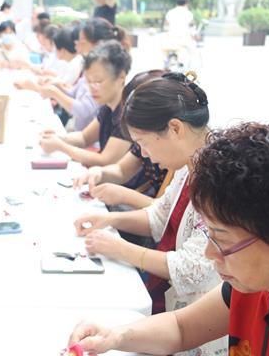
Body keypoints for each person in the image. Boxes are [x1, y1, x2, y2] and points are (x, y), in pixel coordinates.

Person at [67, 122, 269, 355]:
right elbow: (181, 328)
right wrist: (114, 336)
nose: (209, 253)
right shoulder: (249, 290)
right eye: (209, 235)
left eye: (223, 242)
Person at [72, 72, 226, 355]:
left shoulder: (219, 182)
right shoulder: (188, 167)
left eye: (143, 141)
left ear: (175, 128)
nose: (142, 153)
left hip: (204, 321)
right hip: (181, 316)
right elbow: (158, 217)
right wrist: (111, 219)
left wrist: (120, 248)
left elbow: (193, 269)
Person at [73, 70, 169, 209]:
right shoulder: (144, 139)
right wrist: (99, 172)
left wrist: (124, 195)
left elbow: (165, 211)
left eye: (99, 81)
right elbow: (121, 170)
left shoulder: (180, 162)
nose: (143, 153)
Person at [38, 40, 132, 168]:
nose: (92, 88)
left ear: (121, 77)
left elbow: (105, 160)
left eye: (98, 81)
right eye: (88, 82)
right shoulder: (108, 107)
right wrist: (57, 138)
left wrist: (61, 146)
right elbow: (84, 137)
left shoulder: (127, 114)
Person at [162, 0, 196, 70]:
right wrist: (194, 35)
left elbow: (165, 26)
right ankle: (189, 70)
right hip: (183, 41)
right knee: (193, 53)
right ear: (187, 3)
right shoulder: (188, 13)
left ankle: (166, 63)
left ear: (176, 2)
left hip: (169, 40)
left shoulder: (170, 12)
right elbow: (192, 27)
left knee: (165, 56)